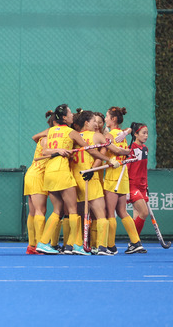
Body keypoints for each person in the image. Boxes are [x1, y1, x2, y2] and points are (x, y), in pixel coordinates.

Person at [36, 104, 117, 255]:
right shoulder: (72, 132)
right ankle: (78, 245)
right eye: (69, 113)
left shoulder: (51, 131)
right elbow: (90, 150)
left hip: (50, 173)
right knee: (73, 211)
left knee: (58, 210)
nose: (73, 115)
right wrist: (108, 160)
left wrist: (58, 150)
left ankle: (44, 242)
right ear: (65, 117)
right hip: (63, 173)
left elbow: (44, 150)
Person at [103, 107, 146, 254]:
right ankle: (136, 242)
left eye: (107, 117)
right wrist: (127, 132)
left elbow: (112, 149)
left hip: (113, 176)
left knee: (110, 213)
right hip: (123, 177)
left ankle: (110, 246)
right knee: (122, 211)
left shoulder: (110, 134)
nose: (105, 119)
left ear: (113, 119)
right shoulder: (123, 135)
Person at [23, 111, 54, 255]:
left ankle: (32, 246)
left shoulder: (45, 137)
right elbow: (45, 153)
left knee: (34, 211)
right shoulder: (47, 139)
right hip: (37, 175)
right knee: (40, 211)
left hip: (33, 175)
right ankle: (40, 245)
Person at [126, 122, 150, 236]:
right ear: (136, 134)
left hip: (142, 186)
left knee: (137, 214)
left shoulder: (145, 149)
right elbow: (126, 170)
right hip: (133, 185)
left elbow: (143, 169)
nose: (146, 136)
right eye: (143, 133)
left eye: (147, 133)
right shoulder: (130, 149)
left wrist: (146, 185)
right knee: (144, 212)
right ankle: (134, 240)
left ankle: (134, 243)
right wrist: (125, 188)